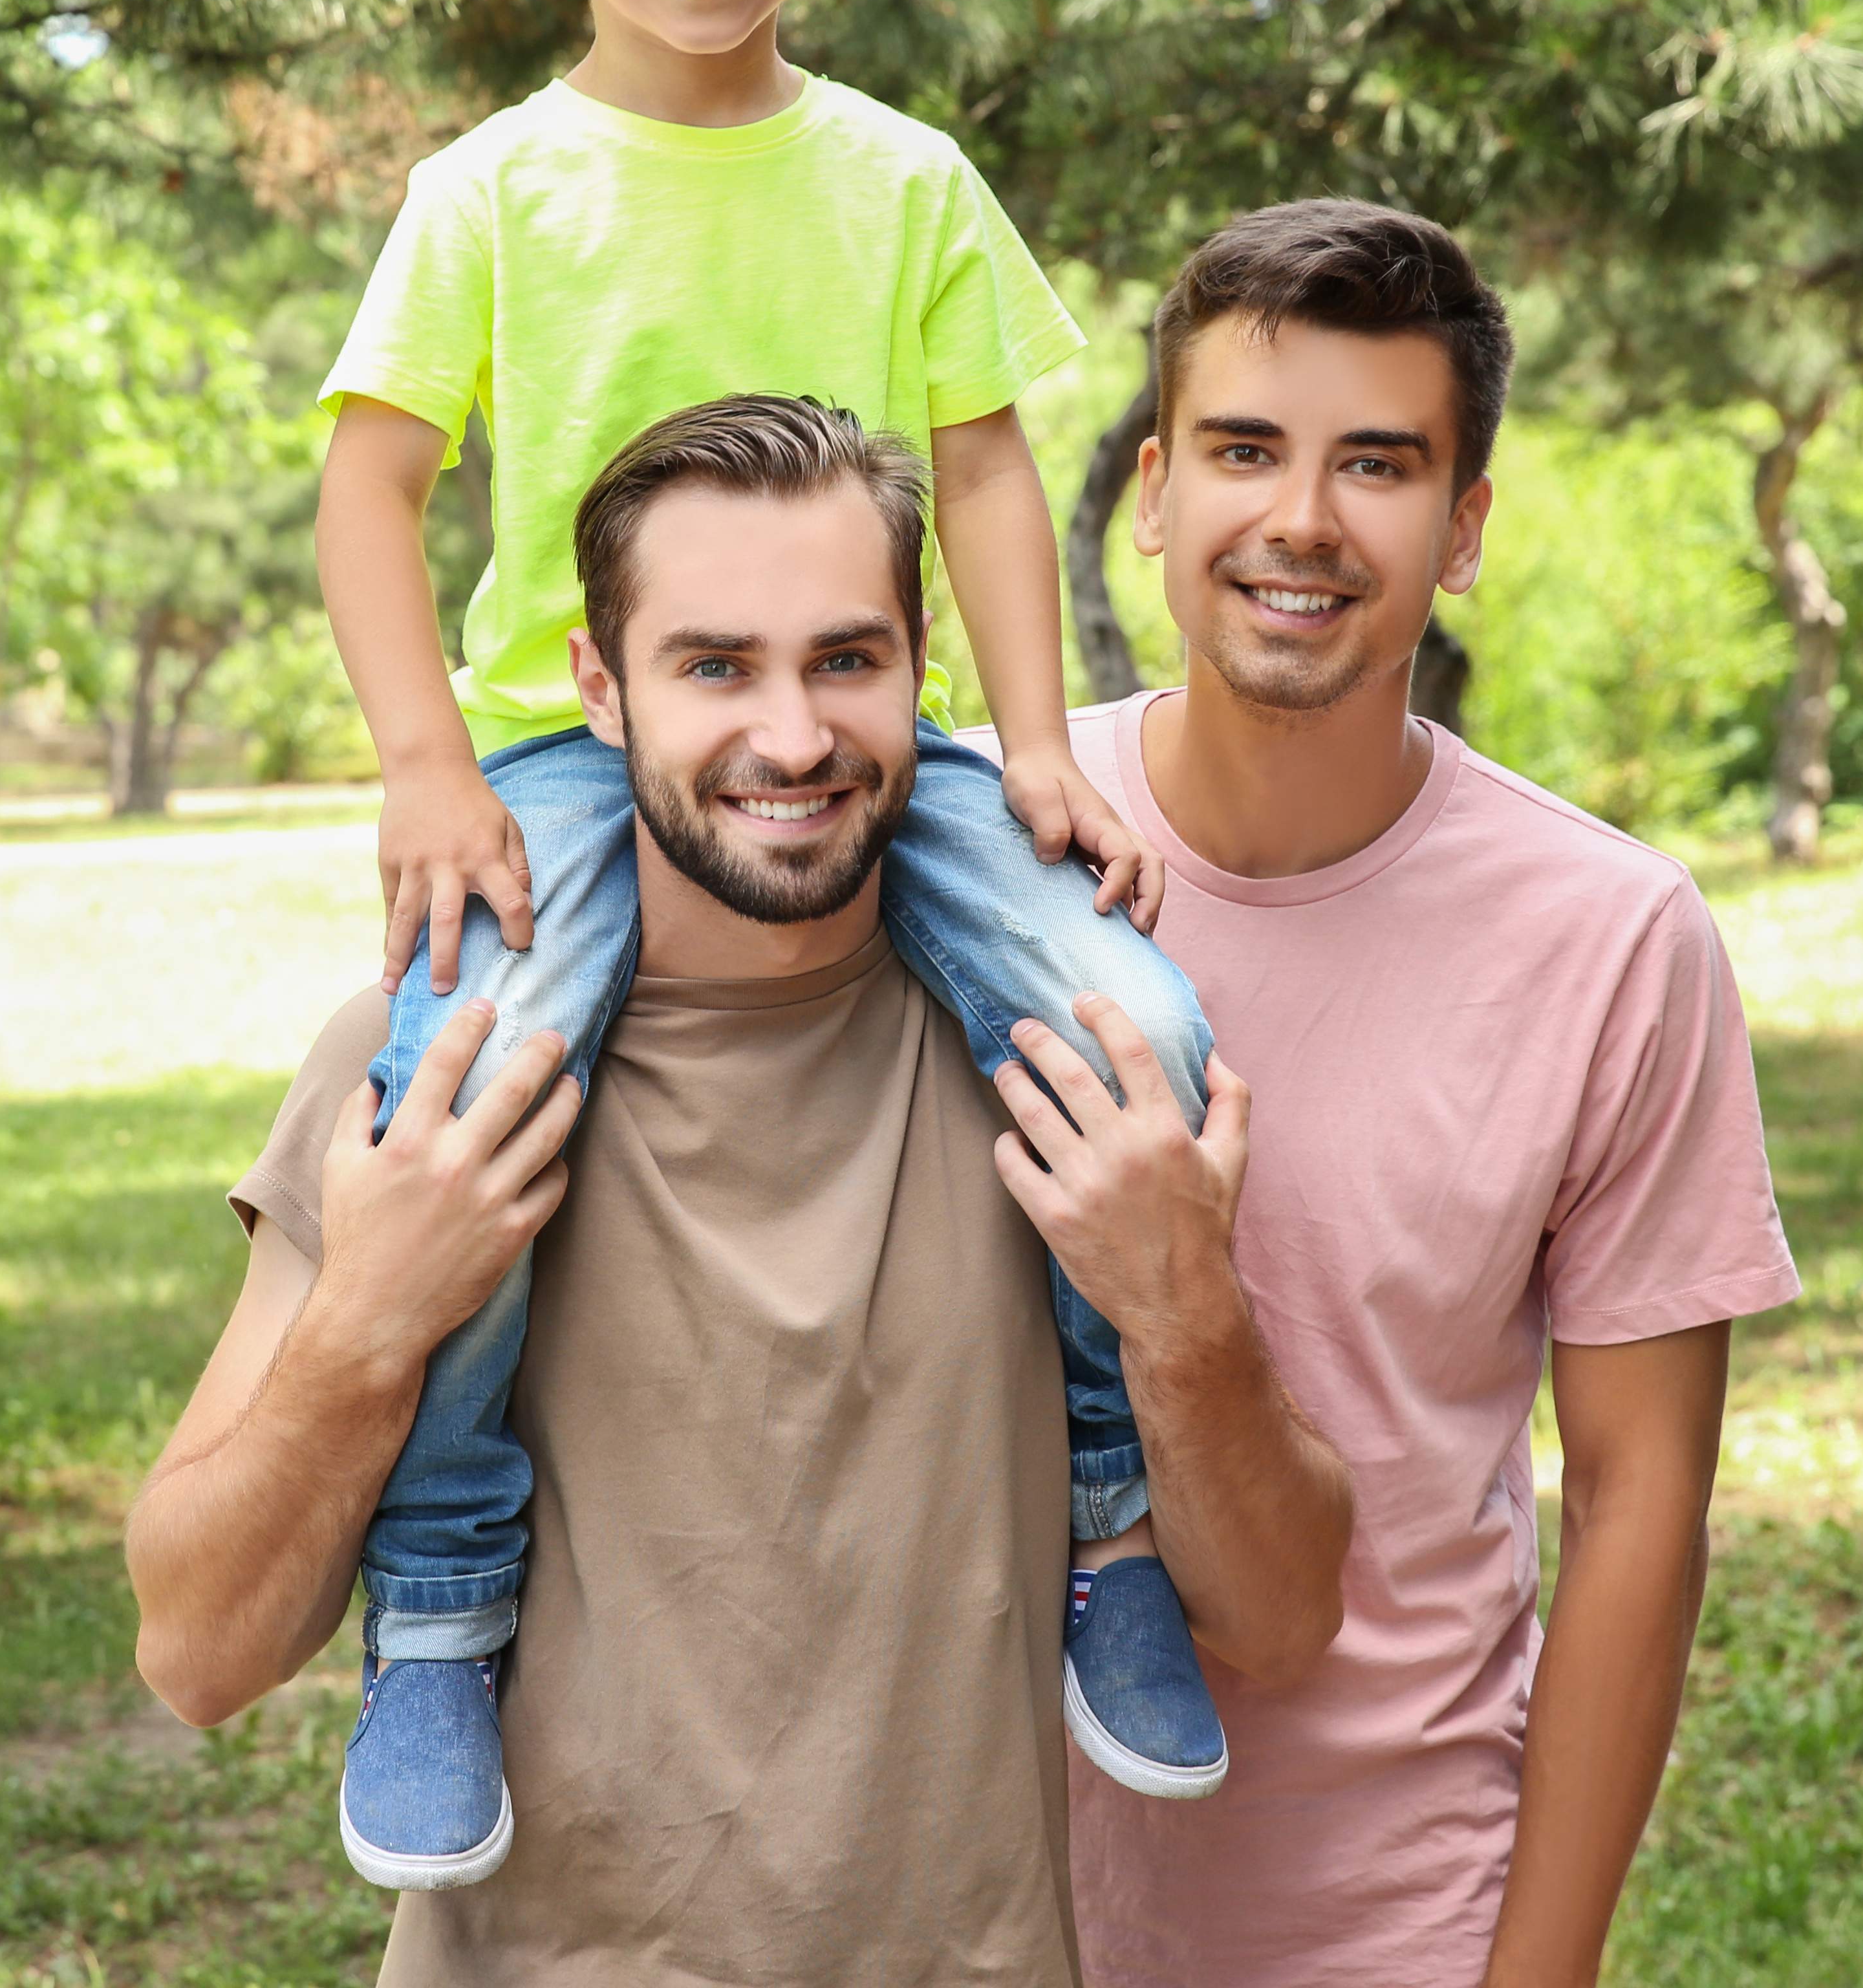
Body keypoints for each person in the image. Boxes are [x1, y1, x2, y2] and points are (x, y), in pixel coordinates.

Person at [308, 0, 1228, 1883]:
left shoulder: (905, 177)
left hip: (878, 744)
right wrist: (431, 763)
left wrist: (1030, 743)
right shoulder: (493, 191)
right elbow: (367, 488)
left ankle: (1113, 1521)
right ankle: (439, 1607)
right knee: (462, 1085)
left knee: (1146, 1022)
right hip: (569, 747)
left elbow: (995, 472)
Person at [127, 399, 1351, 1984]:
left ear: (924, 669)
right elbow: (198, 1655)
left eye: (846, 660)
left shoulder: (1064, 1073)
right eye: (713, 667)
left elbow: (1277, 1624)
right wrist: (373, 1316)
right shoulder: (424, 1065)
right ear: (597, 691)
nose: (791, 738)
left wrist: (1183, 1307)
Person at [1039, 202, 1804, 1987]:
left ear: (1461, 530)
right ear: (1155, 492)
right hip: (971, 1906)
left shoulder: (1613, 940)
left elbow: (1638, 1507)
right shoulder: (985, 837)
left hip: (1389, 1922)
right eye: (1244, 450)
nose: (1300, 522)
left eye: (1376, 466)